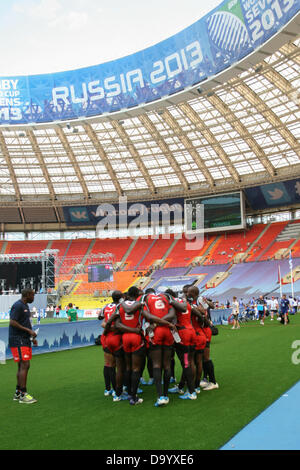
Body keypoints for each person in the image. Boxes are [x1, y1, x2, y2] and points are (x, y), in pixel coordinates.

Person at [8, 289, 38, 404]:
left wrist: (32, 337)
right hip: (18, 340)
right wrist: (28, 331)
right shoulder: (18, 306)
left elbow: (24, 323)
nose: (33, 297)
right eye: (33, 295)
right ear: (28, 295)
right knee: (25, 364)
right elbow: (12, 322)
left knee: (22, 365)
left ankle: (18, 392)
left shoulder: (24, 306)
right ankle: (23, 394)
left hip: (24, 339)